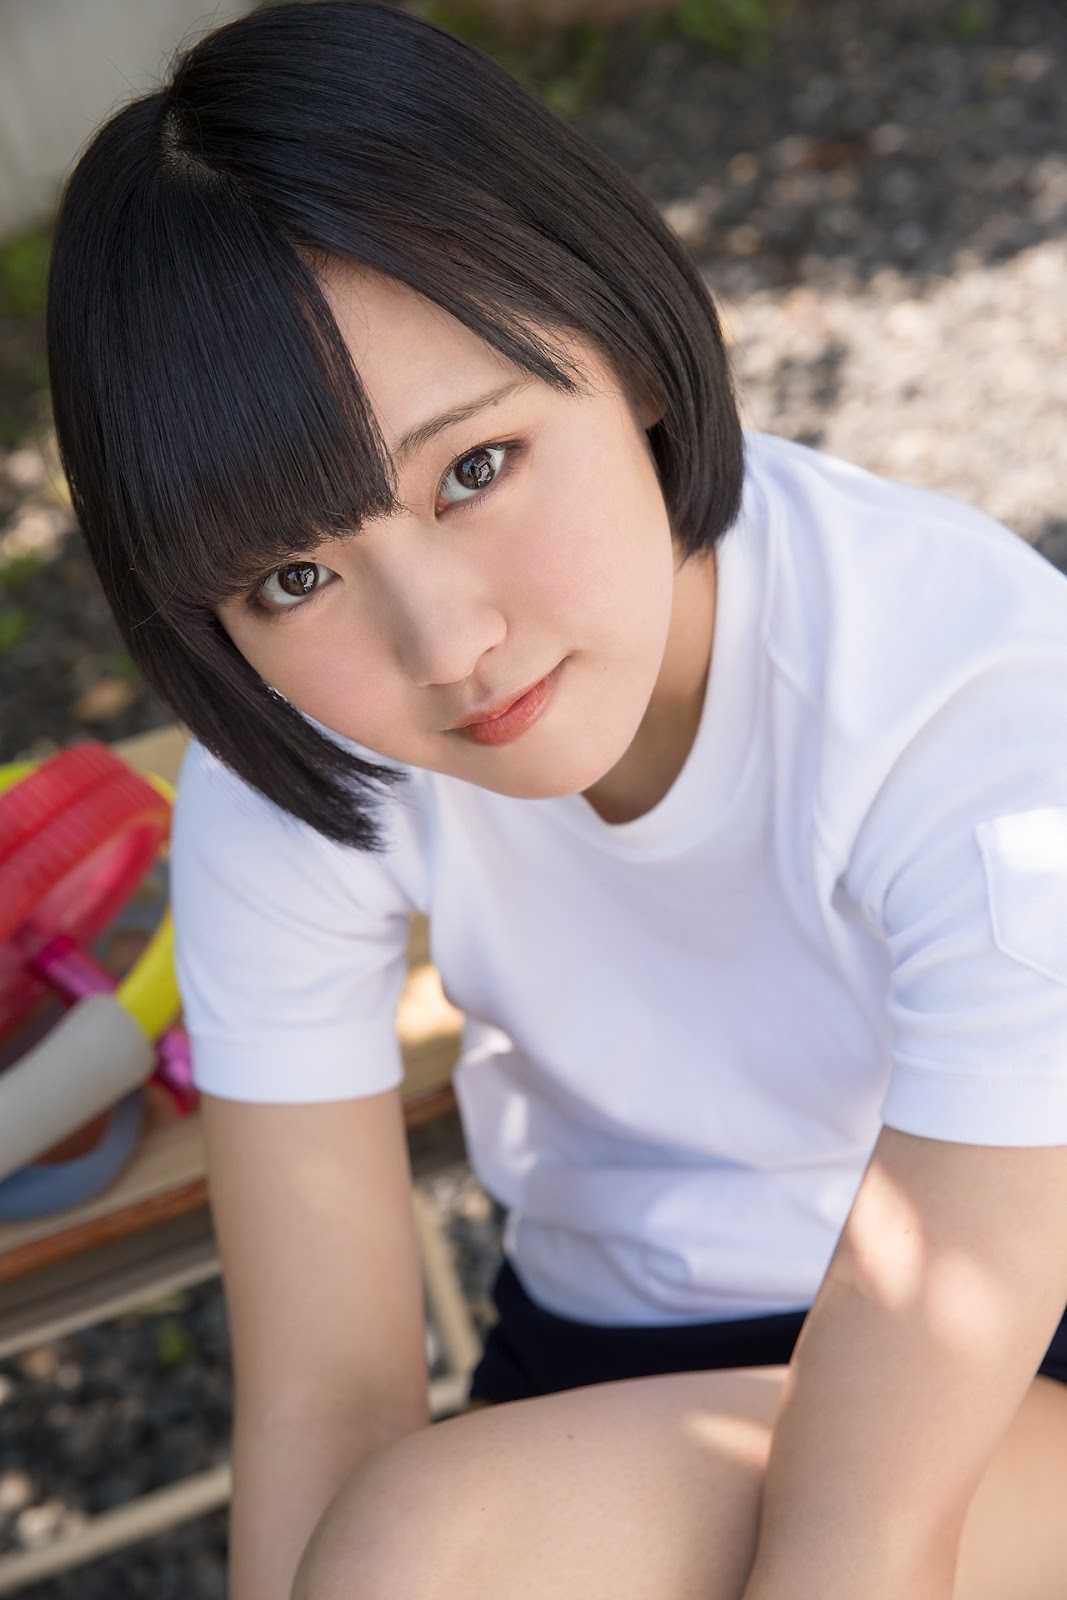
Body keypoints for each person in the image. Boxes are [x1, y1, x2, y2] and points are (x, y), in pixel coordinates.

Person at [45, 3, 1067, 1597]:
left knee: (433, 1551)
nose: (446, 644)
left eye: (474, 469)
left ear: (630, 352)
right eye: (294, 575)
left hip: (1010, 1358)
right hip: (595, 1363)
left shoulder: (971, 704)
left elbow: (869, 1538)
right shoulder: (297, 766)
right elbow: (326, 1401)